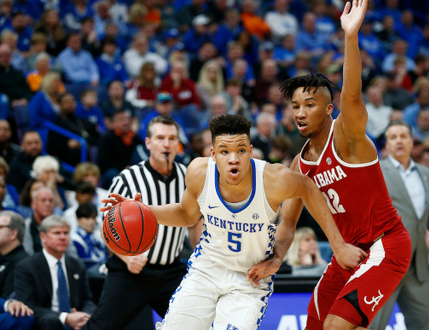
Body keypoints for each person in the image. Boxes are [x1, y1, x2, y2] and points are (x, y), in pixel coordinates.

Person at [103, 113, 365, 330]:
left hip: (249, 280)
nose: (233, 159)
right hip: (206, 270)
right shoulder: (198, 172)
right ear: (213, 153)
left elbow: (309, 187)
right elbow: (186, 215)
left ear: (250, 150)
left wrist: (338, 245)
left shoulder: (273, 180)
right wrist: (143, 210)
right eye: (225, 151)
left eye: (241, 150)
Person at [249, 0, 413, 329]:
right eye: (295, 106)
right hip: (347, 252)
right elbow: (288, 225)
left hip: (385, 245)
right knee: (314, 324)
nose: (300, 112)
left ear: (328, 108)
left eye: (309, 104)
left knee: (336, 325)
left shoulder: (348, 138)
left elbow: (352, 95)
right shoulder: (299, 165)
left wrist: (350, 37)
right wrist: (276, 258)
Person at [82, 116, 204, 330]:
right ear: (148, 143)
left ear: (178, 144)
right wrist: (127, 258)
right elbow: (106, 229)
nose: (166, 144)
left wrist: (200, 259)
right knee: (100, 327)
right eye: (160, 138)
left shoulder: (189, 178)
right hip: (130, 272)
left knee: (195, 327)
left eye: (172, 138)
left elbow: (195, 223)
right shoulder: (127, 178)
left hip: (171, 272)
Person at [369, 121, 429, 330]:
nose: (399, 141)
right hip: (385, 263)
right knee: (372, 325)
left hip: (416, 265)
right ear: (387, 144)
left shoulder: (426, 173)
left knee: (426, 323)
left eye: (403, 136)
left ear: (412, 142)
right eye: (393, 137)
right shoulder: (375, 171)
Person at [15, 215, 96, 330]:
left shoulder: (77, 265)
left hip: (77, 320)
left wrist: (86, 315)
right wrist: (65, 317)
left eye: (66, 233)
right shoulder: (27, 267)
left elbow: (87, 300)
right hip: (46, 321)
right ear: (43, 237)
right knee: (50, 321)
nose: (62, 237)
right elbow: (28, 305)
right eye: (57, 233)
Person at [0, 211, 29, 299]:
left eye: (0, 227)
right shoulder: (2, 256)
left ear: (13, 234)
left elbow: (8, 300)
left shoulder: (22, 263)